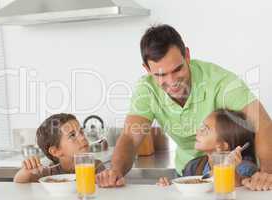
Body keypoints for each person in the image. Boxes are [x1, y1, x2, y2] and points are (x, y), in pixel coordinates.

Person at [96, 24, 272, 191]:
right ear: (147, 69)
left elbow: (263, 125)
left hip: (232, 173)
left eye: (177, 69)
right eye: (161, 74)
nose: (172, 81)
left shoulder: (221, 82)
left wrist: (266, 174)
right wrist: (116, 171)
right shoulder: (146, 90)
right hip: (188, 172)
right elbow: (130, 137)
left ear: (187, 55)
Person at [157, 109, 258, 187]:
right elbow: (184, 189)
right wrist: (169, 185)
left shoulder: (246, 169)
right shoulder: (193, 166)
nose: (198, 130)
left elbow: (244, 191)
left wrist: (231, 171)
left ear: (222, 145)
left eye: (205, 129)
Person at [14, 113, 104, 183]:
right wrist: (26, 171)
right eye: (72, 135)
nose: (82, 137)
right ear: (56, 151)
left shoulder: (96, 167)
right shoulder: (48, 173)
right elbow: (19, 181)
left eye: (81, 132)